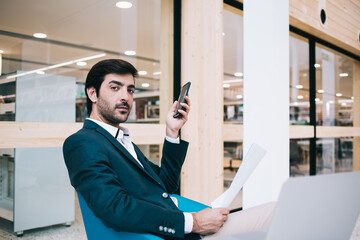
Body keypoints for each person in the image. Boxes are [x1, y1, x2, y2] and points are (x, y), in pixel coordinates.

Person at [63, 59, 230, 240]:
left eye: (130, 90)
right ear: (92, 94)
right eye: (115, 88)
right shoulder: (82, 143)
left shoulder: (121, 141)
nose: (125, 97)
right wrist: (193, 222)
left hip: (177, 224)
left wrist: (172, 132)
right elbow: (114, 208)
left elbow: (165, 186)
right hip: (169, 232)